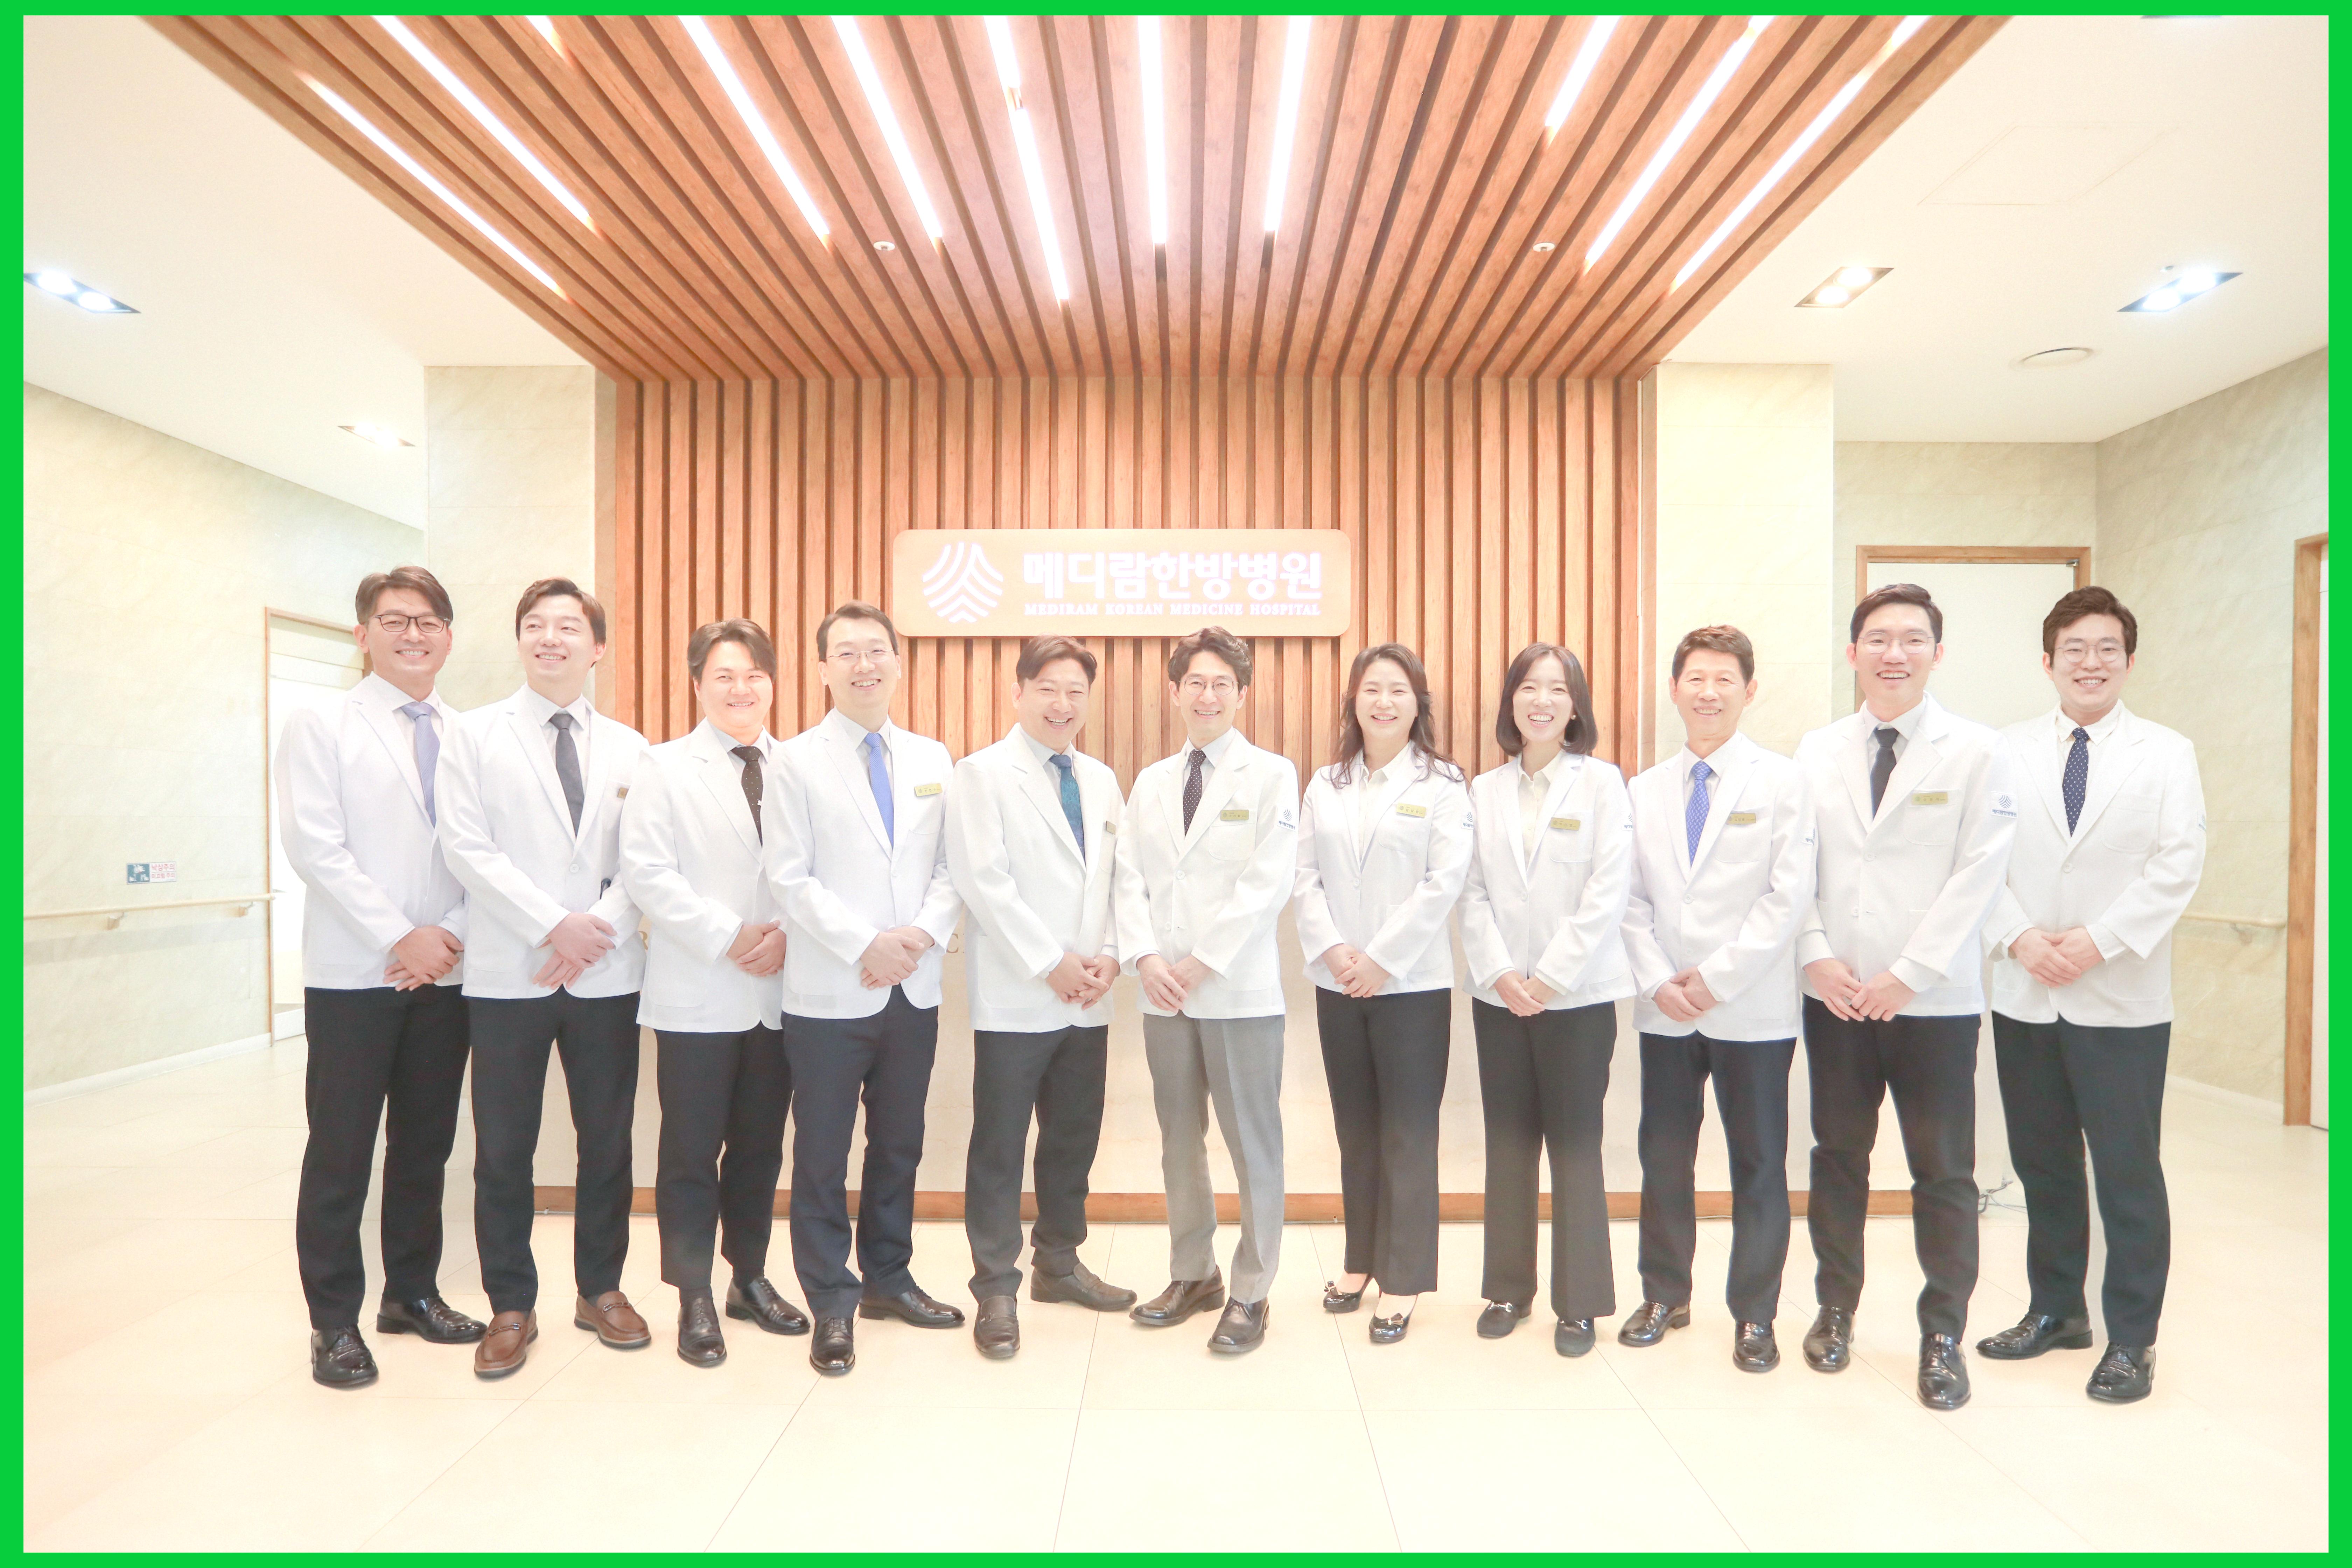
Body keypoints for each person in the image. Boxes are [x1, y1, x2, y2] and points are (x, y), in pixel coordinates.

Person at [1793, 582, 2016, 1411]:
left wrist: (1910, 973)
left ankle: (1942, 1333)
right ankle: (1835, 1311)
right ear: (1853, 653)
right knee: (1837, 1157)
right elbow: (1794, 864)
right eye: (1879, 638)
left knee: (1943, 1170)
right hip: (1839, 996)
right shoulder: (1816, 749)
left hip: (1933, 1002)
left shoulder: (1978, 750)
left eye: (1912, 638)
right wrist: (1816, 955)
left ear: (1937, 653)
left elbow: (1980, 873)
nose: (1895, 652)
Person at [1978, 587, 2204, 1404]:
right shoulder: (2004, 750)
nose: (2091, 662)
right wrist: (2020, 936)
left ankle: (2133, 1338)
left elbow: (2178, 863)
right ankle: (2057, 1309)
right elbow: (1978, 858)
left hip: (2121, 999)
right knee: (2042, 1164)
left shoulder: (2167, 752)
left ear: (2129, 661)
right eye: (2074, 648)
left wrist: (2098, 940)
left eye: (2108, 648)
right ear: (2048, 661)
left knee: (2127, 1171)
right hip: (2027, 992)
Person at [438, 577, 651, 1379]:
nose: (551, 638)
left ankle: (601, 1288)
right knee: (504, 1147)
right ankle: (510, 1304)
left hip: (606, 972)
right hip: (511, 972)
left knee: (608, 1140)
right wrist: (552, 924)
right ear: (521, 640)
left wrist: (593, 928)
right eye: (536, 625)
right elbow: (467, 847)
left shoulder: (632, 746)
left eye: (568, 626)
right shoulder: (473, 734)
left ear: (598, 647)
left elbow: (645, 857)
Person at [276, 566, 483, 1388]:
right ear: (364, 634)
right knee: (342, 1150)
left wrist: (448, 937)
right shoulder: (322, 722)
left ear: (449, 636)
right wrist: (402, 934)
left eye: (428, 620)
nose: (413, 633)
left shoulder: (469, 734)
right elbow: (315, 847)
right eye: (395, 620)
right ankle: (333, 1322)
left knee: (426, 1145)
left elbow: (485, 853)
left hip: (446, 976)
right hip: (356, 975)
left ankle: (411, 1293)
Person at [766, 601, 963, 1377]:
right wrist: (866, 945)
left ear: (898, 662)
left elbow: (951, 866)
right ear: (823, 669)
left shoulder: (932, 757)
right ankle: (831, 1300)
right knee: (821, 1150)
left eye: (876, 649)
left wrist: (916, 939)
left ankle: (888, 1276)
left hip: (912, 987)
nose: (864, 664)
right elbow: (790, 878)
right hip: (830, 990)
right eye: (845, 652)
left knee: (899, 1142)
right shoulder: (794, 760)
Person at [1619, 626, 1816, 1372]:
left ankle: (1756, 1313)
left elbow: (1787, 897)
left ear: (1749, 690)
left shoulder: (1783, 782)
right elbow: (1627, 899)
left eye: (1724, 679)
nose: (1709, 692)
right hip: (1666, 1005)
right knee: (1664, 1156)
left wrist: (1716, 978)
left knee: (1758, 1162)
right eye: (1695, 678)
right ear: (1674, 689)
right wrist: (1658, 980)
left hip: (1751, 1006)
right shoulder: (1643, 789)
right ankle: (1665, 1294)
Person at [617, 619, 809, 1368]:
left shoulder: (797, 766)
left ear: (773, 683)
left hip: (780, 989)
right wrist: (730, 934)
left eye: (754, 674)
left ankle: (749, 1278)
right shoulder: (663, 766)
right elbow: (647, 872)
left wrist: (788, 933)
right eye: (724, 675)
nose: (741, 688)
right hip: (699, 987)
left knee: (761, 1146)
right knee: (692, 1150)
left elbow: (818, 870)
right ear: (698, 683)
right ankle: (693, 1292)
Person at [945, 636, 1135, 1361]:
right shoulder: (981, 774)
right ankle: (996, 1287)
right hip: (1019, 993)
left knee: (1072, 1138)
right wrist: (1050, 962)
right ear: (1018, 692)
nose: (1062, 704)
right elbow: (983, 880)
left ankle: (1059, 1262)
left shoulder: (1101, 778)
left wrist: (1110, 954)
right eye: (1048, 689)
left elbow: (1119, 877)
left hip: (1089, 994)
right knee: (1000, 1144)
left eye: (1075, 691)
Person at [1113, 626, 1301, 1354]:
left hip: (1237, 990)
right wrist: (1145, 956)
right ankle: (1194, 1273)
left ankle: (1252, 1289)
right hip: (1163, 992)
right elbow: (1129, 877)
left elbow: (1267, 883)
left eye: (1223, 683)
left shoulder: (1273, 775)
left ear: (1242, 694)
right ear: (1176, 691)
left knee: (1253, 1141)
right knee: (1178, 1139)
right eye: (1196, 681)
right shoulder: (1152, 781)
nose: (1208, 694)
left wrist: (1202, 961)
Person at [1458, 642, 1634, 1357]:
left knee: (1575, 1145)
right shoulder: (1483, 790)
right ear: (1511, 702)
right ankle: (1508, 1288)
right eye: (1529, 687)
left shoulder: (1603, 784)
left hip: (1579, 997)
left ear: (1575, 705)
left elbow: (1608, 890)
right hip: (1500, 995)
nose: (1542, 701)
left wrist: (1553, 977)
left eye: (1557, 689)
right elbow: (1470, 891)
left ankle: (1580, 1302)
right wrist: (1502, 973)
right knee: (1507, 1143)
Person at [1294, 643, 1472, 1345]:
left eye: (1398, 690)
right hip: (1338, 980)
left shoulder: (1444, 784)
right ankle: (1361, 1260)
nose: (1384, 702)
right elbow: (1304, 876)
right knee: (1356, 1129)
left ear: (1418, 703)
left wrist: (1381, 960)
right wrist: (1337, 951)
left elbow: (1443, 883)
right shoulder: (1327, 783)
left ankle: (1404, 1275)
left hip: (1411, 985)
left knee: (1408, 1132)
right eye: (1372, 689)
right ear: (1354, 700)